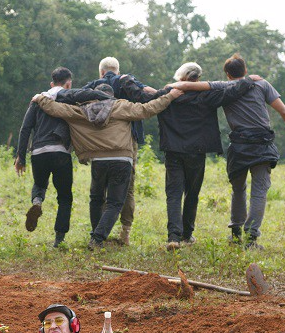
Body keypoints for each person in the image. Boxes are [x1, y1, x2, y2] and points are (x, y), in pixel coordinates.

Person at [122, 62, 257, 250]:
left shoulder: (168, 95)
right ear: (198, 78)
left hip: (173, 150)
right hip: (197, 150)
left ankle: (173, 237)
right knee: (192, 194)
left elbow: (141, 96)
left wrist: (126, 80)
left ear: (180, 76)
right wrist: (249, 80)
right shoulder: (207, 96)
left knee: (174, 194)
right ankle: (187, 235)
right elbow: (232, 92)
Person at [33, 82, 183, 249]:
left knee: (96, 199)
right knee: (114, 203)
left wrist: (41, 98)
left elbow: (57, 109)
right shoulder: (120, 106)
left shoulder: (82, 110)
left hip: (98, 162)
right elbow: (148, 109)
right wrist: (170, 96)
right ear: (111, 95)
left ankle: (95, 235)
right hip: (121, 160)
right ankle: (97, 239)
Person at [209, 54, 285, 250]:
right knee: (259, 192)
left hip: (239, 146)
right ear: (245, 71)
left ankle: (235, 233)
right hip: (262, 144)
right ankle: (251, 239)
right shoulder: (261, 85)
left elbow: (195, 87)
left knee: (238, 189)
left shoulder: (224, 87)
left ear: (228, 74)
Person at [15, 67, 110, 247]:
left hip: (38, 152)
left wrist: (20, 156)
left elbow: (25, 129)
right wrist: (113, 99)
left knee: (40, 184)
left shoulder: (38, 100)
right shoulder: (69, 96)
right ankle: (59, 239)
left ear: (52, 84)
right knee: (65, 197)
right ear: (68, 83)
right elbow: (88, 94)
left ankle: (37, 201)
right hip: (60, 152)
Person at [81, 57, 157, 246]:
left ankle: (98, 231)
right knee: (127, 188)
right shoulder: (127, 81)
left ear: (101, 72)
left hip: (100, 141)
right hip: (127, 141)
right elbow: (147, 93)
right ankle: (125, 232)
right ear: (118, 70)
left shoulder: (93, 86)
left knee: (98, 189)